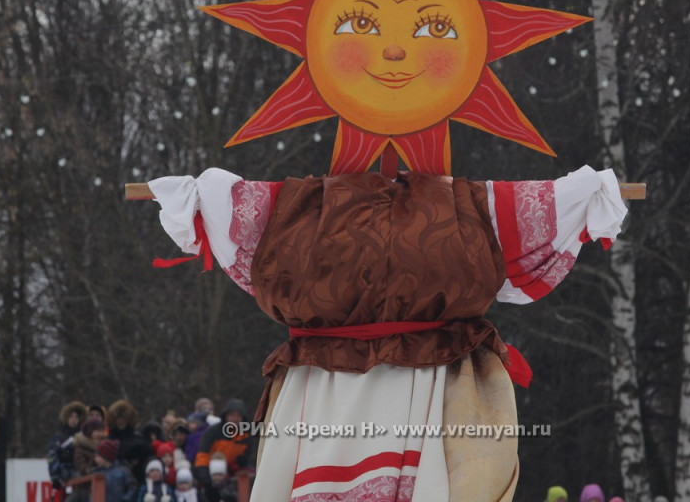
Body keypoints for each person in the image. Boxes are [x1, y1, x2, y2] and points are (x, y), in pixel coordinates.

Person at [149, 166, 626, 501]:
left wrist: (199, 198)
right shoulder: (468, 209)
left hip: (333, 383)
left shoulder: (291, 214)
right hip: (420, 376)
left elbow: (229, 209)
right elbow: (536, 211)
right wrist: (588, 196)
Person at [193, 400, 255, 499]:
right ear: (225, 416)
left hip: (233, 479)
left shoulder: (246, 435)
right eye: (232, 415)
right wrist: (207, 482)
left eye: (238, 416)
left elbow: (248, 458)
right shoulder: (213, 432)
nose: (235, 419)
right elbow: (202, 459)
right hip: (212, 476)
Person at [108, 399, 154, 485]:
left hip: (136, 476)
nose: (121, 421)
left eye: (124, 418)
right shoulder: (110, 438)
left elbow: (146, 454)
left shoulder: (139, 438)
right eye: (118, 418)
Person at [48, 400, 88, 496]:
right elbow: (52, 458)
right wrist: (55, 477)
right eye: (70, 417)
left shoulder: (84, 436)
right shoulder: (59, 437)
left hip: (82, 477)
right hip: (64, 477)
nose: (73, 420)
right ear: (66, 418)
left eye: (76, 417)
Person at [184, 399, 215, 464]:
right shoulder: (187, 432)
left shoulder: (217, 426)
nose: (208, 412)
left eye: (210, 409)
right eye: (203, 409)